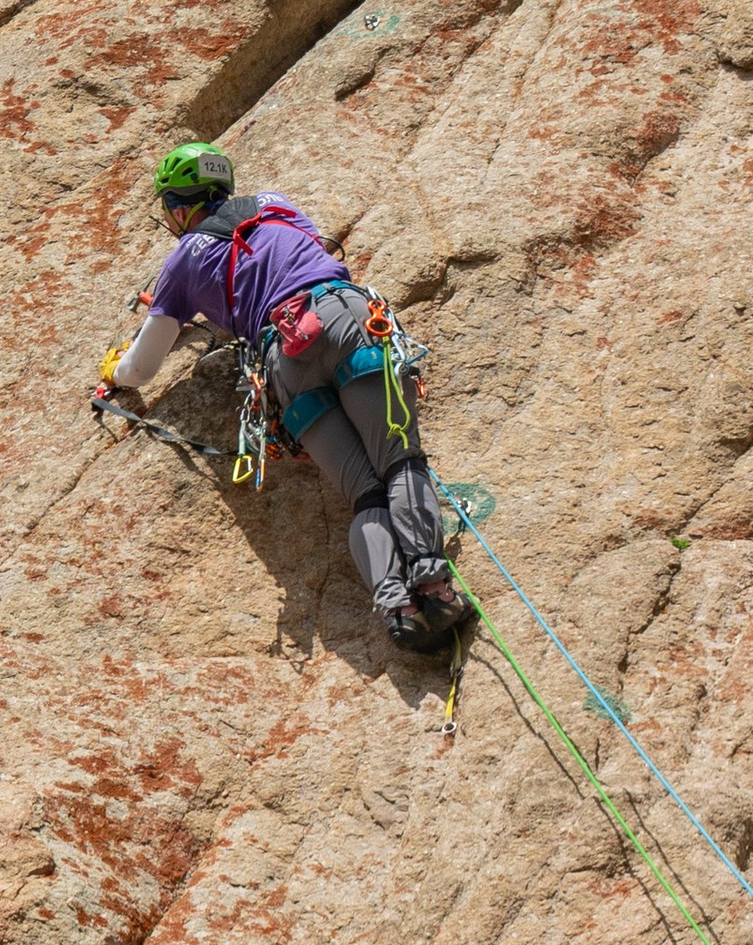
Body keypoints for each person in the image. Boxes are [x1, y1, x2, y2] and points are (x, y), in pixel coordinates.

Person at [98, 142, 472, 659]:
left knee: (364, 492)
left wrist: (113, 367)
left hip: (284, 356)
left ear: (179, 208)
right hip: (345, 317)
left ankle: (398, 610)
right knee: (399, 461)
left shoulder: (182, 261)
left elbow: (140, 369)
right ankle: (435, 590)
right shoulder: (277, 204)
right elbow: (293, 263)